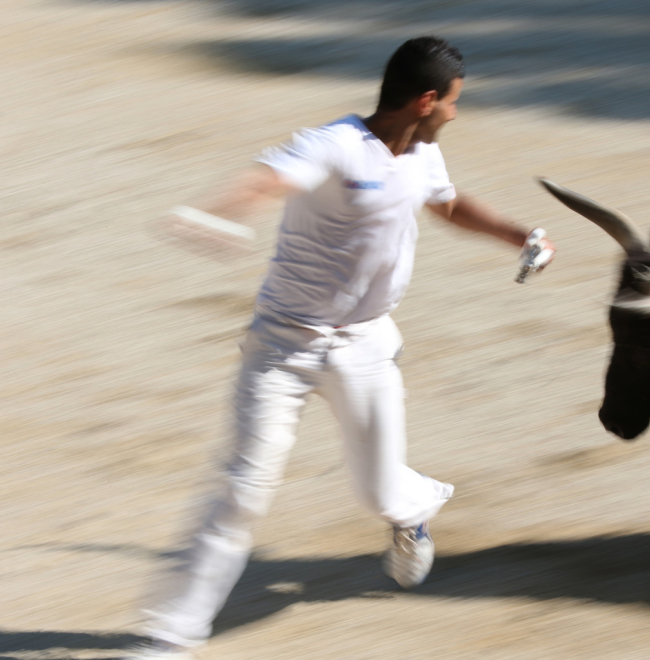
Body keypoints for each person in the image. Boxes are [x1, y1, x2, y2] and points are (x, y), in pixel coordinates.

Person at [128, 36, 555, 660]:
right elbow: (266, 179)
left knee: (379, 491)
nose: (457, 114)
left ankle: (412, 514)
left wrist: (522, 235)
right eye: (455, 103)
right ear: (427, 99)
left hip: (366, 347)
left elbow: (450, 204)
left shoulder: (423, 154)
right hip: (282, 346)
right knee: (240, 488)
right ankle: (168, 636)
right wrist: (219, 214)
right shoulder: (332, 143)